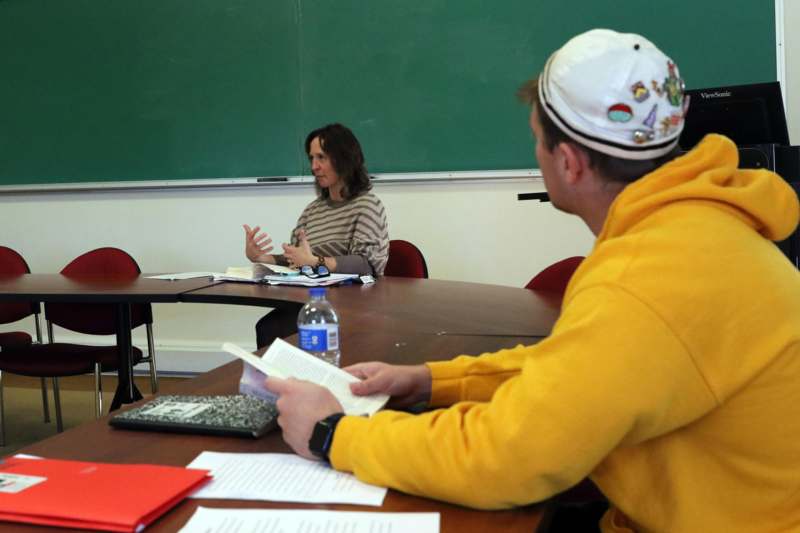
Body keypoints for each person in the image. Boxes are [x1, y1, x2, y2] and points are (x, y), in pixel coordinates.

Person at [263, 29, 800, 533]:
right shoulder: (691, 230)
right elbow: (575, 367)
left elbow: (505, 459)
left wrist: (333, 432)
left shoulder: (645, 277)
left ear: (567, 162)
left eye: (537, 141)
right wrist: (428, 379)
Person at [244, 123, 389, 348]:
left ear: (344, 158)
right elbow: (299, 259)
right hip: (311, 299)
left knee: (278, 329)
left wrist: (315, 262)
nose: (314, 166)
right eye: (311, 158)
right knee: (268, 327)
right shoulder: (313, 210)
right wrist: (263, 258)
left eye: (321, 157)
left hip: (352, 305)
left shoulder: (368, 205)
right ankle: (281, 383)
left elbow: (365, 265)